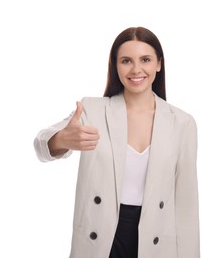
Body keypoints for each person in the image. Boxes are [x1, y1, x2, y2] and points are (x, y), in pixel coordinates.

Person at [34, 26, 200, 258]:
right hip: (100, 235)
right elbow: (41, 144)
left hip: (156, 239)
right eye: (126, 61)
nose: (136, 69)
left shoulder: (182, 123)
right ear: (115, 65)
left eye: (145, 59)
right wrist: (61, 139)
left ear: (159, 64)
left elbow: (187, 205)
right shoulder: (92, 110)